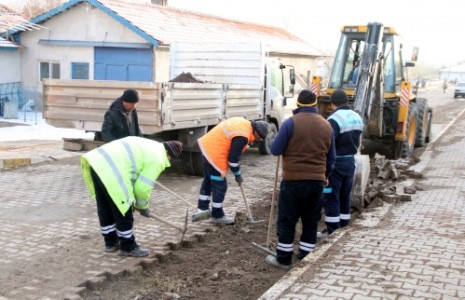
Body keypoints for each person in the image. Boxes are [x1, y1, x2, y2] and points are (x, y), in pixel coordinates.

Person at [265, 89, 336, 270]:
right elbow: (331, 158)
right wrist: (325, 176)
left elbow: (275, 150)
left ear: (298, 105)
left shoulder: (290, 123)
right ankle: (306, 256)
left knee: (288, 220)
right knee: (311, 220)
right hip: (317, 182)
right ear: (315, 105)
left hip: (293, 181)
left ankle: (284, 259)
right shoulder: (326, 125)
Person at [81, 136, 183, 257]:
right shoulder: (159, 158)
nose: (169, 161)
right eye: (171, 158)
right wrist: (143, 206)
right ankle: (128, 246)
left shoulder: (151, 145)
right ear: (168, 153)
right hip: (113, 169)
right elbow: (142, 188)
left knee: (106, 207)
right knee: (124, 208)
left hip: (97, 163)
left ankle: (110, 243)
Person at [193, 117, 269, 225]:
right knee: (220, 185)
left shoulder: (244, 124)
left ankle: (202, 210)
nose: (258, 140)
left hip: (207, 147)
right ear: (256, 132)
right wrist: (238, 175)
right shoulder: (242, 136)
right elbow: (232, 160)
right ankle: (217, 215)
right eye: (259, 138)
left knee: (208, 181)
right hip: (215, 153)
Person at [318, 89, 363, 239]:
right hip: (351, 161)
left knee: (331, 197)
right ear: (346, 102)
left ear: (332, 104)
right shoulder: (357, 117)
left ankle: (332, 231)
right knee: (345, 196)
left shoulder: (334, 119)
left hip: (336, 163)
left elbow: (327, 143)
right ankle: (344, 226)